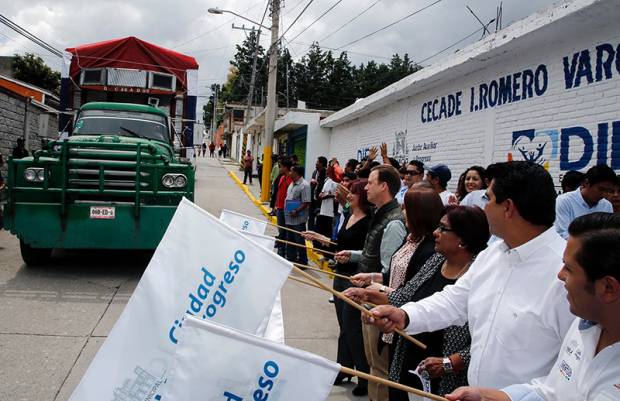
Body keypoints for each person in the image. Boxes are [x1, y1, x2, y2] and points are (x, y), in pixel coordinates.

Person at [366, 161, 574, 389]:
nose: (484, 208)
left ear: (508, 207)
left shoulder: (565, 273)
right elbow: (454, 300)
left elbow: (573, 371)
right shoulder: (494, 254)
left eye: (488, 199)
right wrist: (405, 315)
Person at [446, 212, 620, 401]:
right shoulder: (583, 326)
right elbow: (549, 392)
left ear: (608, 288)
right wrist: (485, 396)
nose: (560, 275)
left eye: (569, 269)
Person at [335, 164, 407, 401]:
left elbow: (389, 271)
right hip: (364, 288)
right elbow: (373, 252)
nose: (365, 187)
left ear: (384, 186)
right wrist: (354, 255)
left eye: (370, 183)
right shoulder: (380, 214)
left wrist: (370, 286)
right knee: (353, 335)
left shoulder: (393, 222)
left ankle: (369, 385)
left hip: (373, 297)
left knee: (375, 359)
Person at [303, 179, 372, 396]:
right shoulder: (349, 216)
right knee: (344, 326)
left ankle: (365, 376)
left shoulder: (369, 221)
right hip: (340, 277)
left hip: (355, 279)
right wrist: (320, 238)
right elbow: (340, 246)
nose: (349, 196)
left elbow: (366, 254)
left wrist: (348, 258)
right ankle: (344, 367)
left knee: (354, 329)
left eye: (353, 193)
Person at [554, 164, 616, 239]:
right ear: (587, 183)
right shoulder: (564, 201)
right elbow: (562, 234)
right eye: (601, 189)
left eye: (608, 191)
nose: (604, 194)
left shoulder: (607, 205)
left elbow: (608, 235)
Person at [284, 165, 311, 264]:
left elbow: (306, 202)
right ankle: (291, 258)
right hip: (289, 217)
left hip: (298, 219)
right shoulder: (292, 184)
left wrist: (296, 211)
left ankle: (303, 261)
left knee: (299, 240)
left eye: (291, 171)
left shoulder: (304, 185)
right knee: (290, 239)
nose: (289, 173)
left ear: (296, 173)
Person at [274, 158, 293, 257]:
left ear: (285, 167)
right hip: (279, 208)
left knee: (285, 231)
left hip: (286, 210)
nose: (279, 168)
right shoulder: (282, 178)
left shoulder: (290, 179)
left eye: (280, 166)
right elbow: (279, 193)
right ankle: (281, 250)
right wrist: (276, 205)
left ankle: (284, 251)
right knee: (281, 230)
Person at [315, 165, 338, 245]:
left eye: (328, 169)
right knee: (322, 232)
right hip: (324, 211)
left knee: (329, 233)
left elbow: (335, 197)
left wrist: (329, 195)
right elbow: (321, 195)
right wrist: (326, 195)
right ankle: (321, 249)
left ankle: (327, 253)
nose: (326, 170)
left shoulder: (335, 183)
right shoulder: (327, 181)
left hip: (331, 213)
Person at [309, 157, 328, 231]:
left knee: (319, 219)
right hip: (312, 198)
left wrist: (318, 183)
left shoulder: (326, 174)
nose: (316, 164)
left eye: (317, 162)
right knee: (311, 217)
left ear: (322, 164)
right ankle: (310, 232)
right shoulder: (314, 172)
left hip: (320, 200)